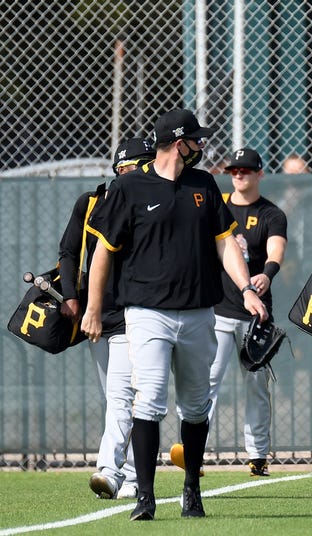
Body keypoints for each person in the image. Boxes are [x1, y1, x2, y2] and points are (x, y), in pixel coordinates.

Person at [81, 109, 267, 521]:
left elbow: (226, 244)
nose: (201, 145)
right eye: (195, 139)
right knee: (148, 398)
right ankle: (144, 497)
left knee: (197, 406)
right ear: (177, 142)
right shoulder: (129, 186)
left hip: (201, 312)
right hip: (147, 312)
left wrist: (247, 289)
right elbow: (102, 254)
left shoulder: (203, 184)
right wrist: (94, 307)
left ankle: (191, 490)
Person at [169, 147, 287, 477]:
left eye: (246, 170)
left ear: (259, 174)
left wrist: (268, 272)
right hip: (218, 308)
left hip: (256, 313)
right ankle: (192, 452)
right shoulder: (217, 206)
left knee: (256, 386)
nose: (239, 175)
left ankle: (258, 454)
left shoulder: (271, 214)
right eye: (234, 170)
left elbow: (276, 248)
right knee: (206, 383)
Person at [59, 137, 155, 500]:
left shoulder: (154, 201)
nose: (129, 173)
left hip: (140, 313)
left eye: (139, 166)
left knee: (125, 397)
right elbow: (69, 252)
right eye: (125, 168)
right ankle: (128, 473)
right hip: (102, 315)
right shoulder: (90, 202)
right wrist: (72, 298)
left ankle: (118, 473)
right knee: (114, 396)